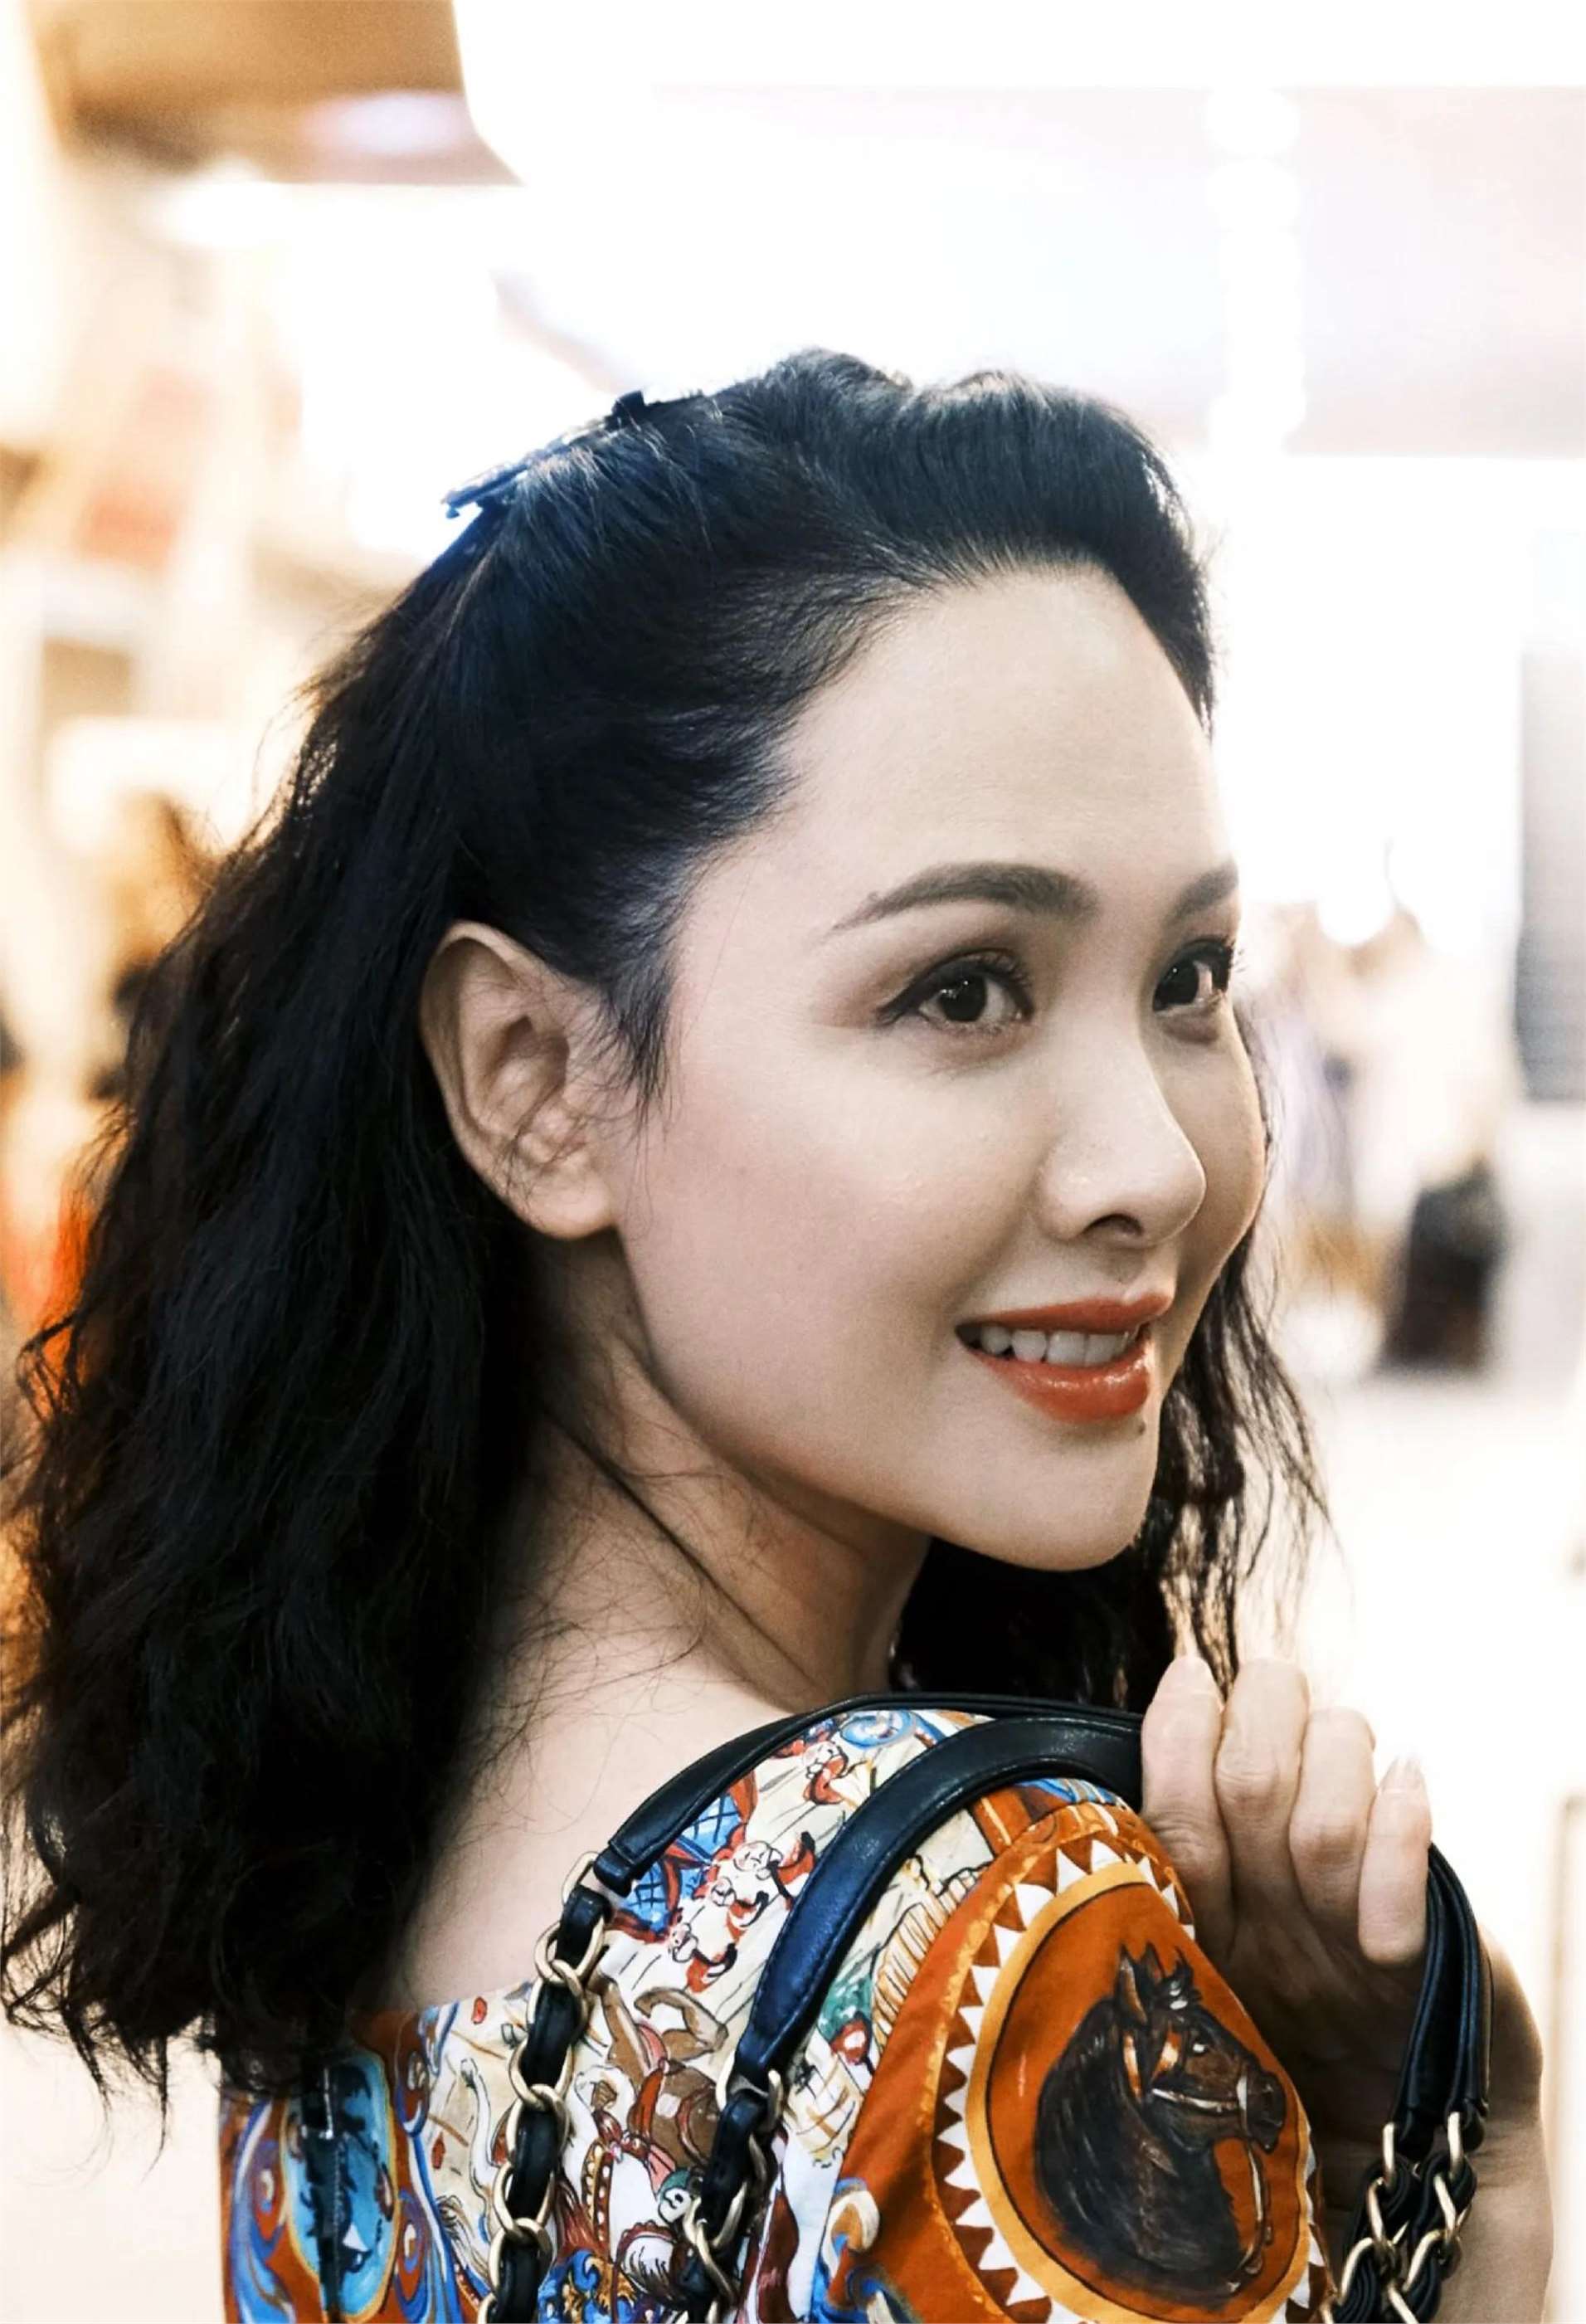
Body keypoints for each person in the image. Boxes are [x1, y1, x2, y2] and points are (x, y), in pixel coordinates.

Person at [0, 352, 1550, 2319]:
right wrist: (1469, 2177)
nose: (1159, 1162)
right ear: (534, 1080)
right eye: (962, 990)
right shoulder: (985, 1960)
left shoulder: (345, 1857)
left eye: (1187, 976)